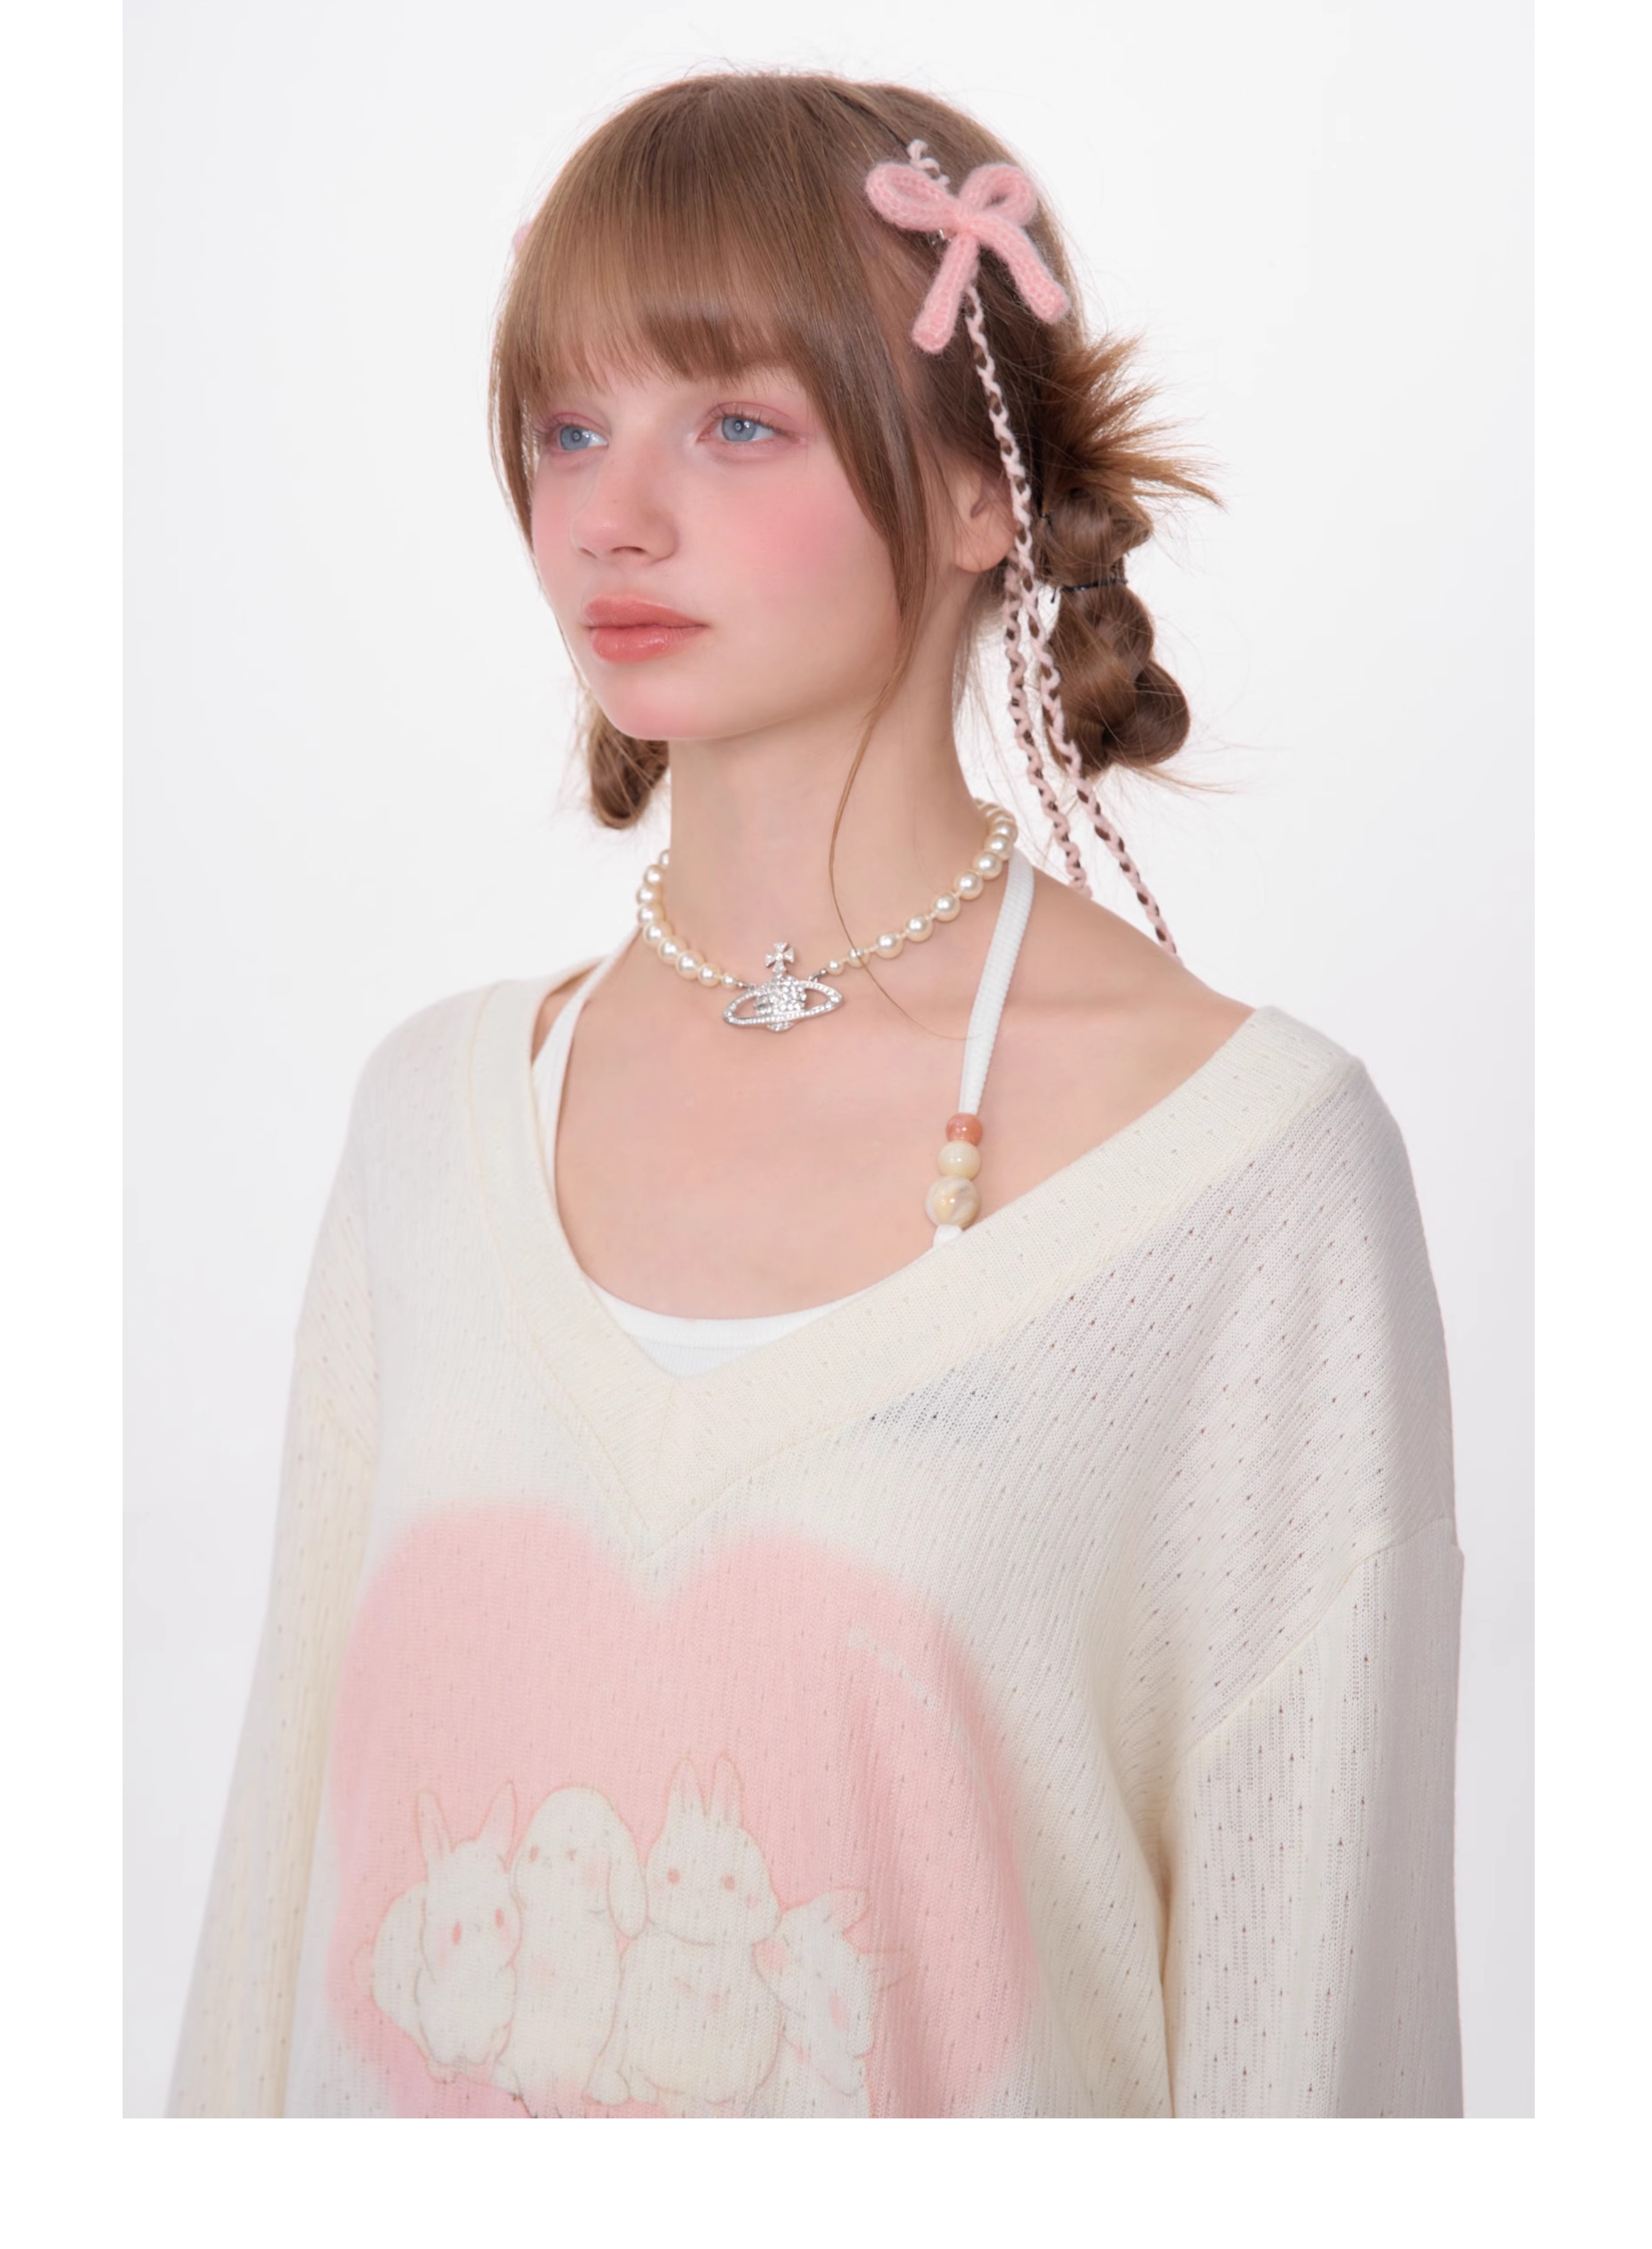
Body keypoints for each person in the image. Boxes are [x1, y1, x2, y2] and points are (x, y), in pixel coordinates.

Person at [169, 70, 1463, 2119]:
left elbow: (1316, 2027)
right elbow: (269, 1939)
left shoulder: (1242, 1177)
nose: (612, 516)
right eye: (569, 428)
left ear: (978, 496)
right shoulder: (432, 1129)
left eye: (737, 425)